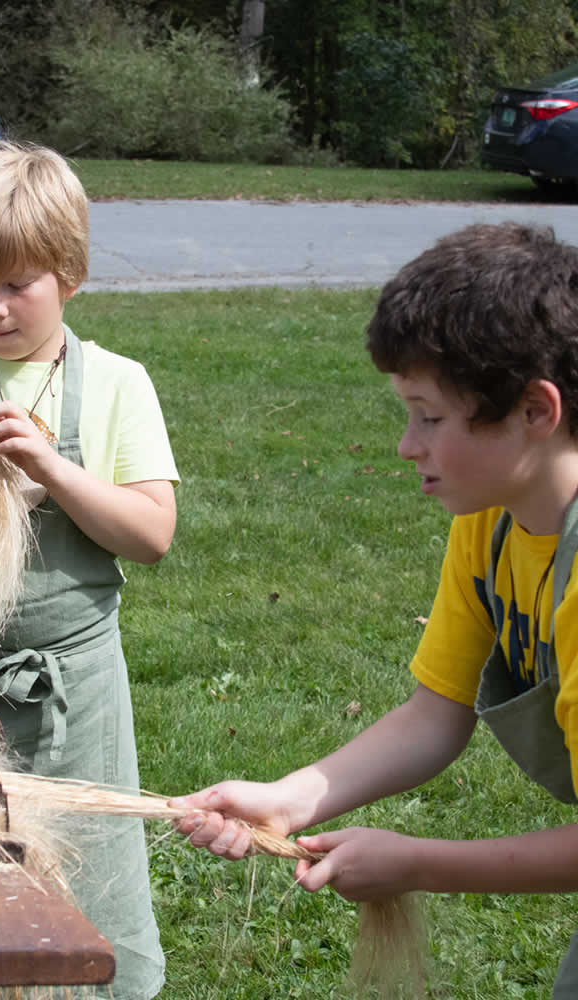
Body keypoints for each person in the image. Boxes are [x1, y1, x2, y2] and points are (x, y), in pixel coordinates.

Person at [171, 222, 578, 998]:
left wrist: (420, 862)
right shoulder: (490, 523)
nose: (405, 446)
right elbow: (436, 715)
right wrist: (288, 798)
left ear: (535, 410)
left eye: (428, 416)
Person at [0, 139, 179, 1000]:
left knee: (86, 888)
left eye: (17, 284)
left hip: (73, 693)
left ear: (71, 275)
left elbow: (151, 534)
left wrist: (53, 469)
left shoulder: (117, 385)